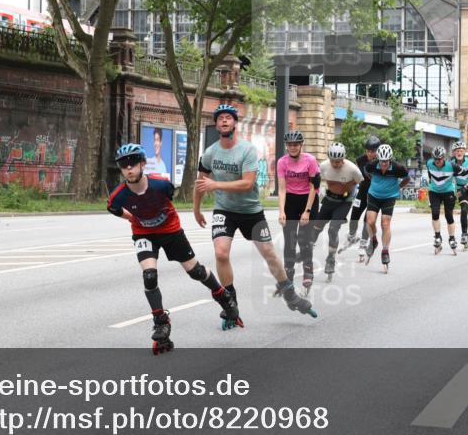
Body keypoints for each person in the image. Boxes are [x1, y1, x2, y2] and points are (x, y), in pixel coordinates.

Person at [108, 143, 241, 355]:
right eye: (124, 165)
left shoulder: (161, 185)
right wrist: (132, 218)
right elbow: (113, 208)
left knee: (195, 271)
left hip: (171, 231)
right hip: (144, 234)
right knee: (149, 276)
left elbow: (169, 198)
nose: (129, 168)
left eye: (133, 163)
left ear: (143, 163)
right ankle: (161, 322)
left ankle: (223, 296)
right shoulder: (119, 195)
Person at [193, 104, 316, 318]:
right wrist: (196, 209)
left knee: (268, 253)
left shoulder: (247, 150)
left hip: (251, 211)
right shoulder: (210, 152)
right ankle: (230, 301)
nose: (224, 121)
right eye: (220, 118)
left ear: (234, 123)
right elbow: (200, 182)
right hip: (224, 210)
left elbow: (248, 184)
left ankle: (290, 293)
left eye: (228, 118)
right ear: (216, 124)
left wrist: (216, 185)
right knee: (221, 253)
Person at [310, 142, 363, 281]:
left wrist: (349, 190)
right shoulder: (323, 166)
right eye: (333, 161)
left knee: (333, 229)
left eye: (339, 162)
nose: (336, 164)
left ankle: (331, 258)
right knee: (316, 227)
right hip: (329, 198)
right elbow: (316, 181)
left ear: (343, 159)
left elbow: (360, 183)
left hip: (345, 202)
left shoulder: (353, 169)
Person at [276, 130, 321, 291]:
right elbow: (281, 189)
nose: (293, 147)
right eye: (290, 145)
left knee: (303, 239)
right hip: (291, 199)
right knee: (289, 240)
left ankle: (308, 271)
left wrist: (307, 212)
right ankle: (288, 273)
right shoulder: (282, 162)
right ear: (287, 146)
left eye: (296, 144)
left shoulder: (311, 161)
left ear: (301, 145)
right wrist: (281, 211)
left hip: (309, 199)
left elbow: (313, 187)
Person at [360, 144, 409, 271]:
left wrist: (398, 187)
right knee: (369, 221)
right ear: (378, 159)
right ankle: (374, 240)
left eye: (386, 161)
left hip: (389, 197)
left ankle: (385, 251)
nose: (383, 164)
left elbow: (407, 178)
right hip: (374, 195)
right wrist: (374, 181)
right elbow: (366, 171)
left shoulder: (398, 168)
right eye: (381, 161)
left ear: (390, 159)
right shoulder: (372, 165)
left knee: (385, 224)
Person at [345, 134, 381, 248]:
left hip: (374, 196)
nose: (370, 154)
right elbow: (355, 176)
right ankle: (351, 236)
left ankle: (363, 242)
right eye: (368, 151)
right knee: (354, 215)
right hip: (362, 193)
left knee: (368, 220)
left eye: (373, 151)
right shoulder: (360, 160)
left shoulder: (382, 162)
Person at [426, 146, 458, 254]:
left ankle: (452, 238)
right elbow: (430, 175)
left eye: (439, 159)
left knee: (449, 215)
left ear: (444, 158)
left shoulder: (452, 166)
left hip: (448, 191)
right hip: (434, 191)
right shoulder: (429, 163)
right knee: (435, 213)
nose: (437, 161)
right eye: (435, 159)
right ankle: (437, 236)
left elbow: (464, 174)